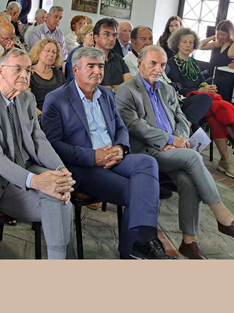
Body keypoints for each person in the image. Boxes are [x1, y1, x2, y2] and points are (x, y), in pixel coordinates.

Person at [116, 45, 234, 258]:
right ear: (140, 63)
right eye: (153, 63)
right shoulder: (126, 90)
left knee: (188, 181)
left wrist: (178, 140)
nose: (158, 69)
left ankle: (189, 241)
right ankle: (224, 218)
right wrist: (170, 140)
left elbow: (181, 117)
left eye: (162, 64)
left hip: (172, 150)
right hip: (145, 152)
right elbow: (135, 126)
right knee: (193, 157)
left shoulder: (166, 88)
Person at [42, 47, 173, 259]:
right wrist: (92, 156)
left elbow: (121, 128)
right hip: (84, 166)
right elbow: (52, 145)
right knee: (139, 192)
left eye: (101, 66)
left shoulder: (106, 94)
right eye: (91, 66)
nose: (97, 71)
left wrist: (120, 148)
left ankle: (143, 242)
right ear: (75, 70)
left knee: (148, 163)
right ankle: (135, 250)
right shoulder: (57, 99)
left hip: (114, 157)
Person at [0, 48, 76, 259]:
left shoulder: (27, 98)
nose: (25, 75)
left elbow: (39, 140)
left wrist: (61, 170)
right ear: (0, 71)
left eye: (28, 70)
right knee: (60, 201)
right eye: (17, 69)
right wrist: (38, 182)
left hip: (26, 166)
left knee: (60, 191)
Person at [166, 28, 234, 178]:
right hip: (186, 103)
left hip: (203, 101)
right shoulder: (171, 64)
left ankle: (225, 161)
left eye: (191, 42)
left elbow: (201, 81)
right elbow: (176, 90)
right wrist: (201, 90)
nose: (188, 45)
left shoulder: (193, 62)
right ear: (177, 44)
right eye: (184, 42)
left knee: (215, 117)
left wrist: (207, 87)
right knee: (222, 105)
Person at [200, 20, 234, 101]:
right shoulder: (218, 44)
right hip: (213, 75)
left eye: (223, 35)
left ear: (230, 33)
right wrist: (214, 37)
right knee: (196, 84)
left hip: (228, 81)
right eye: (219, 34)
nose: (221, 37)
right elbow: (199, 46)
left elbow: (231, 55)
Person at [93, 17, 132, 89]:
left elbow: (129, 86)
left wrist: (111, 88)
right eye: (106, 34)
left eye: (114, 35)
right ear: (96, 37)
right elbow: (92, 88)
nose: (111, 39)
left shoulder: (118, 59)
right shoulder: (87, 59)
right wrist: (118, 87)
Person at [29, 38, 65, 113]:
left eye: (54, 52)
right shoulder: (29, 73)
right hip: (38, 115)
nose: (51, 54)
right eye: (47, 51)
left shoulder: (58, 74)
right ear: (38, 52)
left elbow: (66, 97)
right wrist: (43, 116)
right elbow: (28, 103)